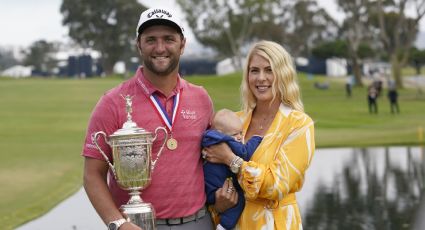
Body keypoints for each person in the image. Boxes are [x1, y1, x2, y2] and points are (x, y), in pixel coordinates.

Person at [81, 8, 215, 230]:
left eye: (168, 39)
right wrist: (117, 223)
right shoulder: (113, 102)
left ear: (182, 44)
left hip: (198, 222)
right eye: (151, 39)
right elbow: (92, 175)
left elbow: (212, 156)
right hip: (137, 225)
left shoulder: (200, 98)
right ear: (139, 45)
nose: (160, 48)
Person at [203, 40, 315, 229]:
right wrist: (218, 203)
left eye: (269, 70)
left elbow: (275, 186)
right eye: (254, 70)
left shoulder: (299, 125)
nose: (261, 78)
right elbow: (210, 171)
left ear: (283, 74)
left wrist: (230, 159)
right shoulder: (235, 121)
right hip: (233, 222)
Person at [202, 108, 262, 230]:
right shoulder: (225, 141)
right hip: (220, 191)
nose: (240, 137)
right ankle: (224, 226)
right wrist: (256, 139)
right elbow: (244, 153)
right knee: (239, 199)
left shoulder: (207, 140)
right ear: (220, 133)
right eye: (235, 134)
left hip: (206, 189)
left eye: (241, 132)